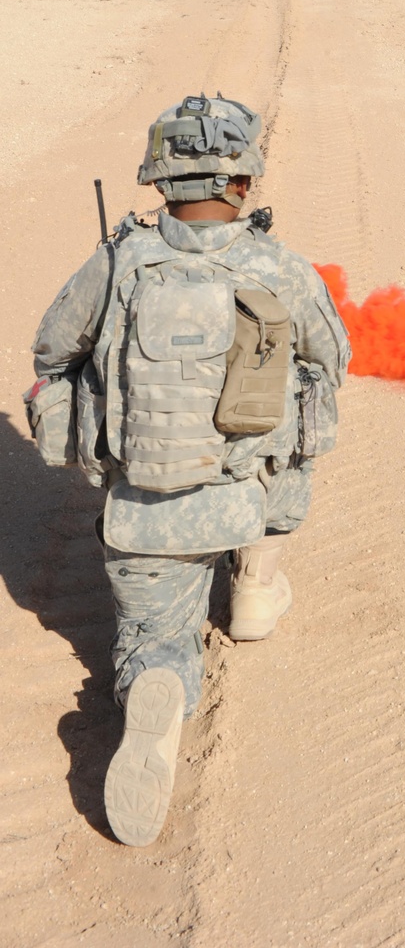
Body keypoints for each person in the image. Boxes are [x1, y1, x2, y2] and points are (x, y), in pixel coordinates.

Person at [25, 94, 350, 847]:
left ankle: (156, 686)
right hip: (246, 499)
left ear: (160, 182)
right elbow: (332, 358)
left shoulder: (117, 262)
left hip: (143, 511)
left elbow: (51, 354)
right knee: (310, 395)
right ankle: (255, 592)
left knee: (152, 638)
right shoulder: (279, 266)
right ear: (243, 181)